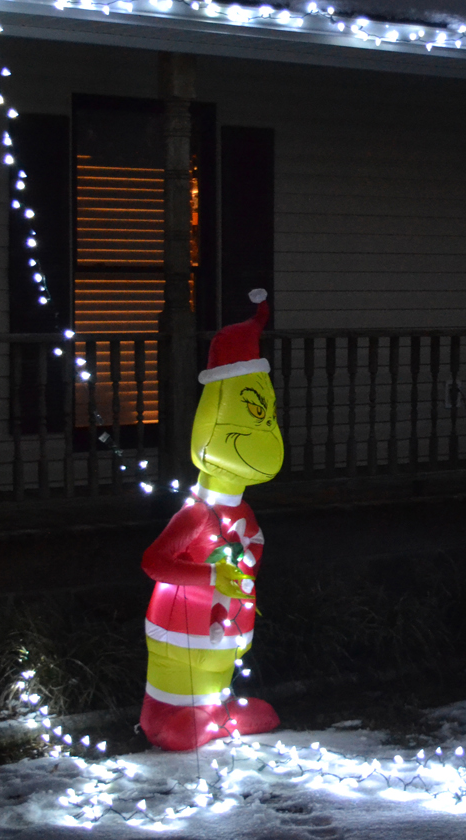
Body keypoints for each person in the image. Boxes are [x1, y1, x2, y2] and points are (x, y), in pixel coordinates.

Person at [138, 289, 284, 751]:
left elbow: (254, 545)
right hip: (181, 626)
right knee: (181, 676)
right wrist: (209, 576)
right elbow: (155, 562)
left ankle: (218, 709)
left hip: (226, 627)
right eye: (250, 419)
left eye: (267, 419)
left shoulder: (240, 512)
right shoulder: (197, 514)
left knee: (218, 670)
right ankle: (164, 715)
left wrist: (244, 574)